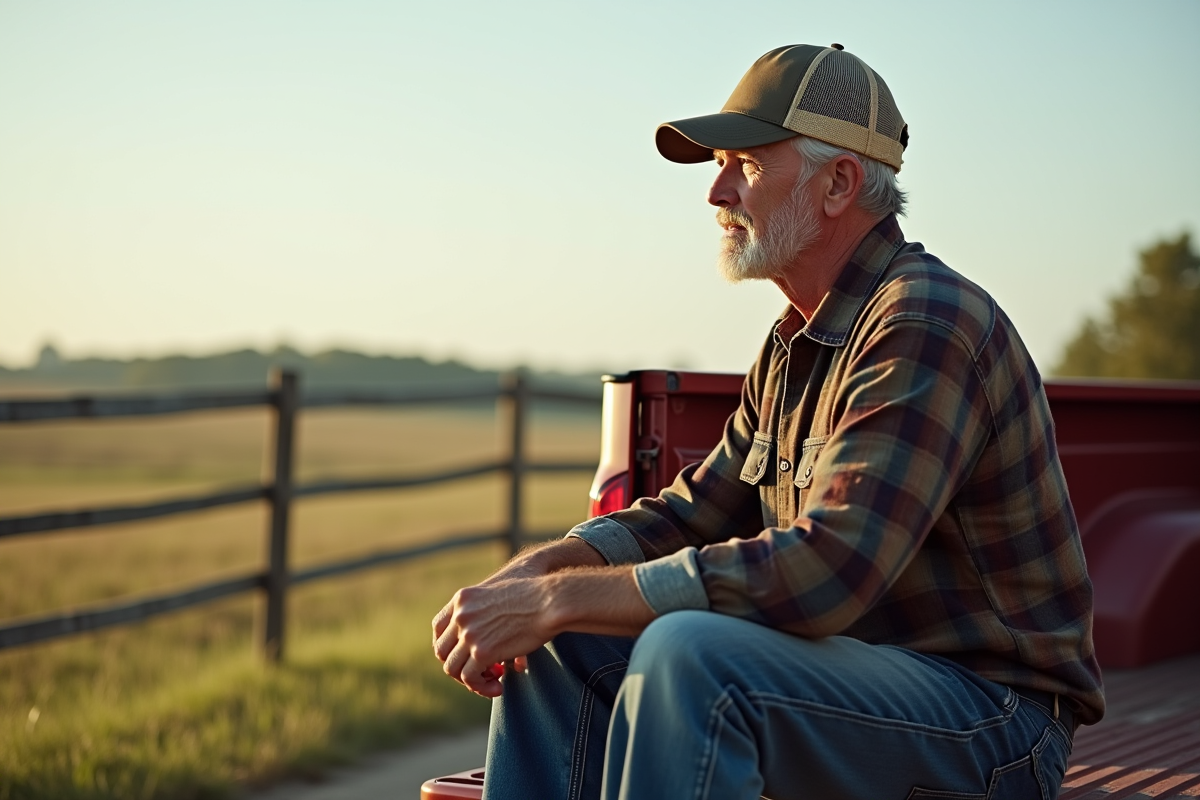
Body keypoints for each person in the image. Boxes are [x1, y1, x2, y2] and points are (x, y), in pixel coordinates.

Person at [432, 43, 1104, 800]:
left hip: (995, 721)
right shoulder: (795, 342)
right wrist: (550, 570)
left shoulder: (927, 320)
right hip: (851, 684)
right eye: (719, 162)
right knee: (569, 643)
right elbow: (698, 509)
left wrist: (562, 596)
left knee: (692, 656)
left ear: (839, 182)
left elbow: (830, 569)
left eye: (744, 163)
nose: (716, 191)